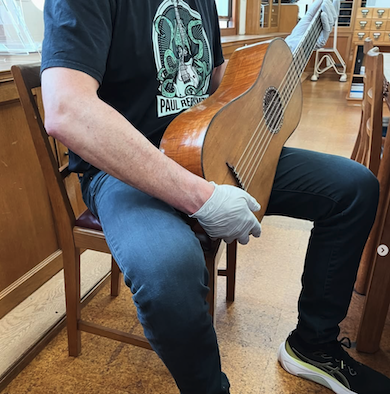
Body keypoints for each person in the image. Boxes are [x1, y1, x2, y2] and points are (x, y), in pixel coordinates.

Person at [40, 0, 390, 393]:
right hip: (123, 166)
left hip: (207, 143)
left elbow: (223, 87)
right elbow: (66, 108)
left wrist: (290, 52)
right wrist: (199, 196)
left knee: (354, 188)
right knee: (168, 270)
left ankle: (313, 345)